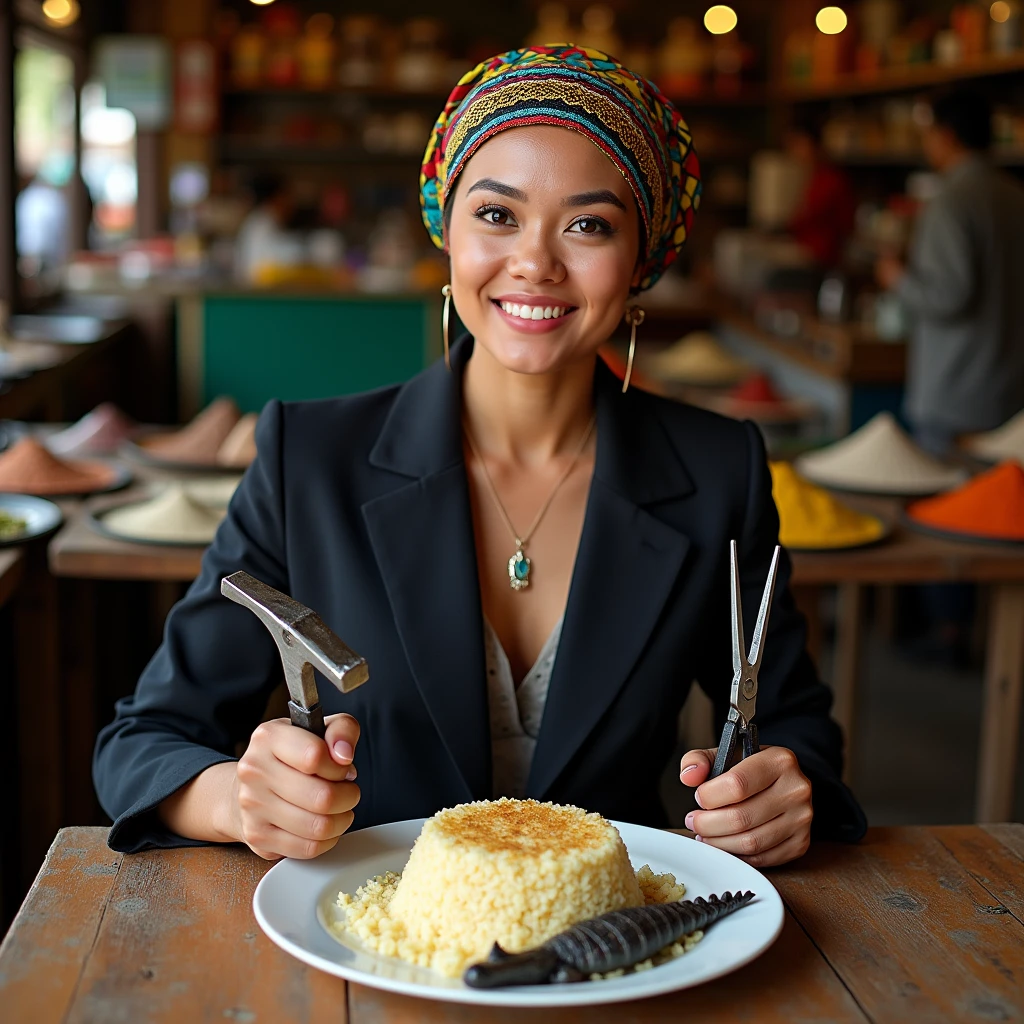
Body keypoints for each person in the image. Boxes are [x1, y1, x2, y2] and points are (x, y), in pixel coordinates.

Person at [94, 46, 865, 868]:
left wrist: (787, 791)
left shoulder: (720, 471)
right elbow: (146, 738)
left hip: (617, 949)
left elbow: (791, 725)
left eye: (589, 224)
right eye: (497, 215)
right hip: (366, 938)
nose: (535, 261)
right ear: (446, 231)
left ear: (642, 260)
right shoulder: (308, 459)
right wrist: (238, 799)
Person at [876, 89, 1024, 455]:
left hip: (956, 390)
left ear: (946, 135)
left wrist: (897, 277)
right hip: (1010, 389)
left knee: (944, 505)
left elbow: (949, 297)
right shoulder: (1015, 195)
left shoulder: (951, 201)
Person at [785, 115, 856, 269]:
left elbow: (845, 224)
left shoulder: (831, 179)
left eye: (798, 144)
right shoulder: (811, 176)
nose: (794, 152)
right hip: (804, 251)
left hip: (821, 260)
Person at [234, 174, 297, 284]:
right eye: (288, 196)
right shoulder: (262, 223)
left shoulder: (264, 220)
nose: (291, 203)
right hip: (255, 292)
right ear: (278, 197)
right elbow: (279, 258)